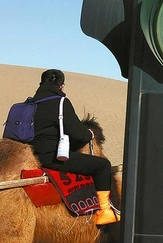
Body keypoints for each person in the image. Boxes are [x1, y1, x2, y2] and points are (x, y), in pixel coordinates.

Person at [29, 69, 118, 225]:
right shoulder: (60, 102)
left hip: (29, 154)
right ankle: (104, 211)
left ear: (41, 84)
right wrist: (89, 134)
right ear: (61, 86)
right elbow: (77, 134)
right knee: (103, 165)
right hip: (50, 158)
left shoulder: (30, 103)